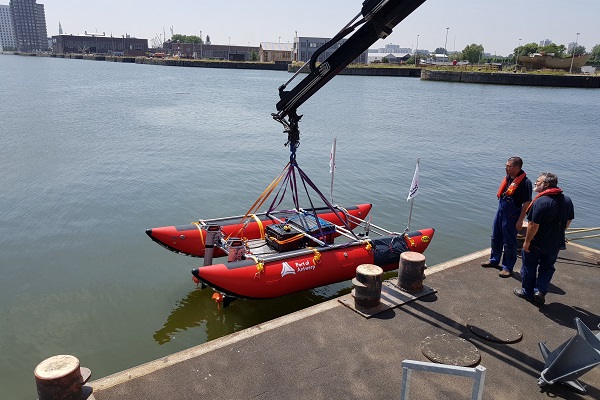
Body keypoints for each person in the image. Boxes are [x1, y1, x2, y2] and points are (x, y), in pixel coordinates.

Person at [514, 172, 574, 305]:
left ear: (546, 184)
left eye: (538, 181)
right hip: (555, 243)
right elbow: (568, 220)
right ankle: (540, 290)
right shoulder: (567, 200)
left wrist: (527, 241)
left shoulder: (541, 201)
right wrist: (559, 233)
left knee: (529, 266)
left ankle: (527, 293)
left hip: (537, 243)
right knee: (547, 267)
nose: (535, 183)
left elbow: (533, 224)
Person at [481, 157, 532, 277]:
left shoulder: (525, 183)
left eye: (508, 166)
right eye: (506, 165)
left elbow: (526, 203)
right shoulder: (509, 177)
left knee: (509, 241)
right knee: (496, 236)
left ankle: (507, 267)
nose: (506, 167)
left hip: (512, 213)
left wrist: (520, 220)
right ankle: (494, 260)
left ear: (517, 168)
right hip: (501, 210)